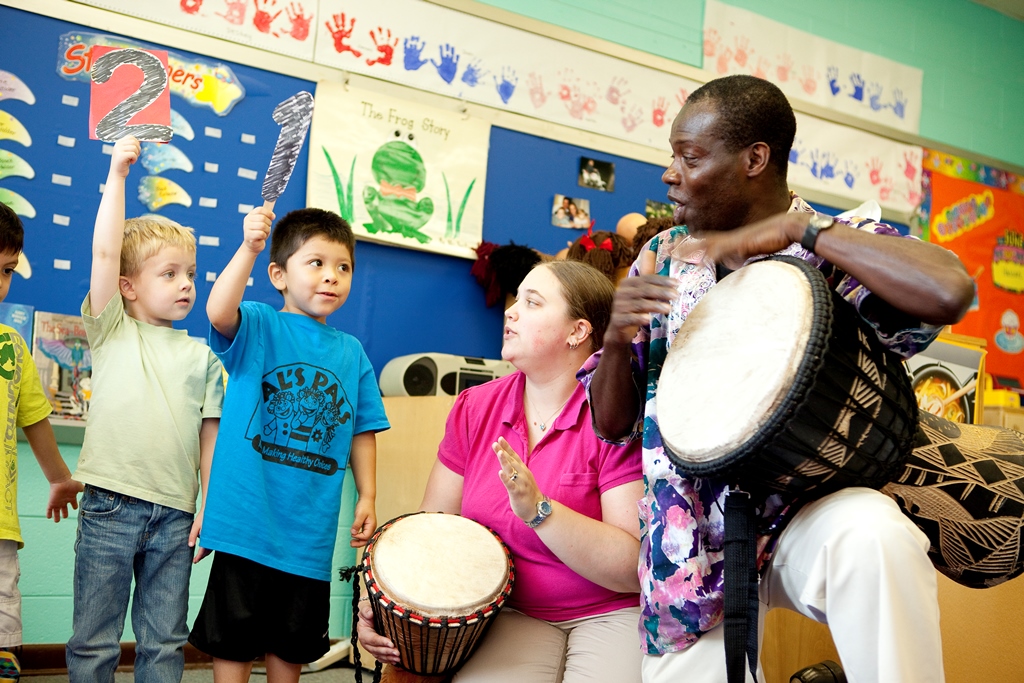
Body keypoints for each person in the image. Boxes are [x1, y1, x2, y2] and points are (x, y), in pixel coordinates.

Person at [588, 75, 974, 683]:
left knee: (875, 538)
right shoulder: (663, 255)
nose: (669, 172)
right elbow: (610, 425)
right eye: (673, 156)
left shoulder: (835, 244)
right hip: (687, 552)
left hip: (802, 518)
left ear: (754, 159)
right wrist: (615, 338)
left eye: (689, 157)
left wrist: (805, 232)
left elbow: (949, 290)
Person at [357, 260, 644, 683]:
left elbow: (630, 565)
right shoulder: (475, 406)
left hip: (611, 611)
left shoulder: (617, 415)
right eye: (516, 300)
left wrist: (539, 510)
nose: (511, 311)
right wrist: (383, 604)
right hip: (514, 613)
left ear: (577, 332)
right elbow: (431, 531)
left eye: (532, 302)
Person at [189, 206, 389, 683]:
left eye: (343, 267)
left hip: (309, 534)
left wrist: (368, 495)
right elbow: (217, 310)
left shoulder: (352, 352)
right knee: (233, 644)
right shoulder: (259, 324)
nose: (332, 277)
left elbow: (363, 428)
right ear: (278, 274)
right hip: (245, 525)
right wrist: (249, 248)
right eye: (315, 263)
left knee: (291, 645)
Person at [66, 135, 224, 683]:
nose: (186, 284)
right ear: (127, 288)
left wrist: (208, 506)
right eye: (169, 274)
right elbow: (106, 252)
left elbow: (211, 436)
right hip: (110, 504)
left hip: (177, 515)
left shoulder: (203, 355)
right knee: (94, 641)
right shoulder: (110, 330)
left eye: (190, 273)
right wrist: (118, 174)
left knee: (164, 643)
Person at [0, 204, 82, 681]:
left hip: (1, 527)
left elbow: (35, 420)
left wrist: (60, 479)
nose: (1, 283)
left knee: (4, 635)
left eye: (7, 271)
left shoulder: (12, 347)